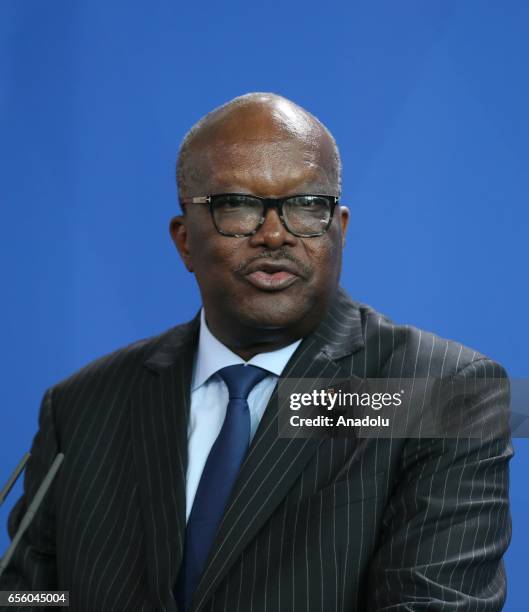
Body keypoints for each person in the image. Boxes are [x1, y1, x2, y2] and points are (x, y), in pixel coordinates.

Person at [0, 93, 512, 611]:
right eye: (238, 206)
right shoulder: (83, 406)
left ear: (342, 230)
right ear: (184, 242)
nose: (274, 234)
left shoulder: (441, 392)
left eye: (308, 205)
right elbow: (33, 595)